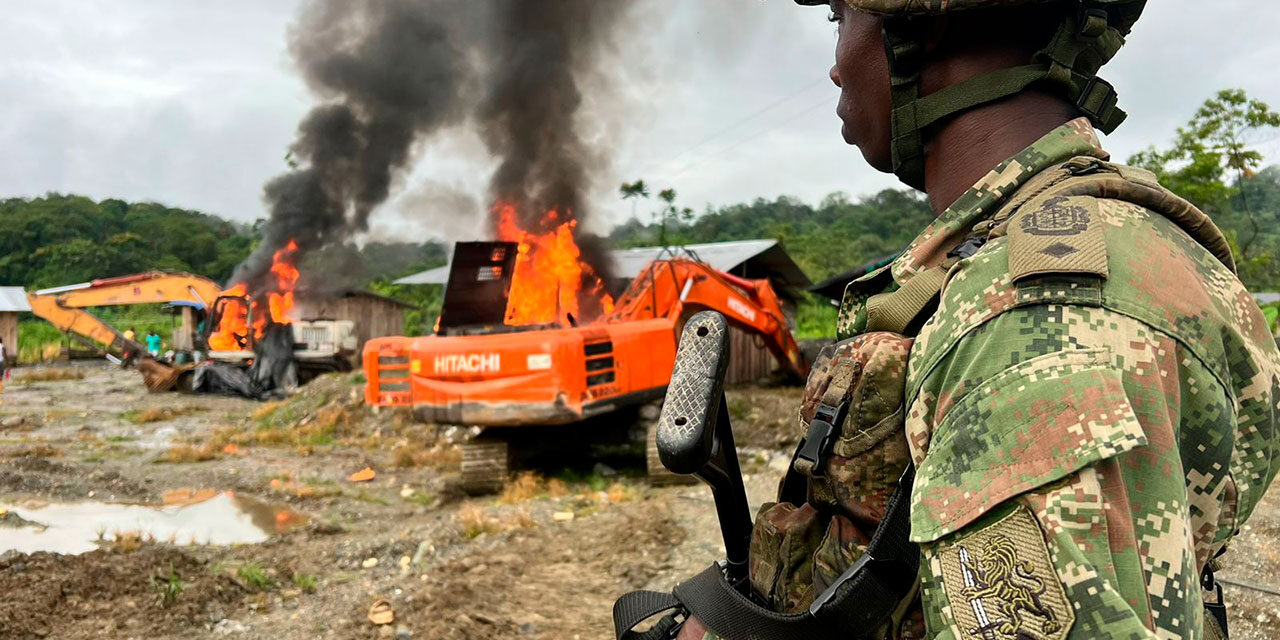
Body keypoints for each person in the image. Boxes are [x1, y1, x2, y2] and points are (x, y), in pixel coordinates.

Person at [667, 1, 1280, 639]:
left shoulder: (1035, 320)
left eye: (838, 19)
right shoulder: (1129, 240)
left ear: (922, 28)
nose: (834, 69)